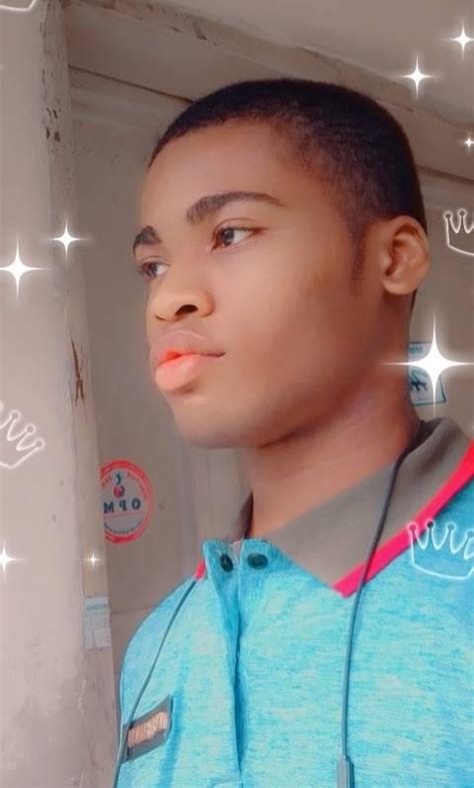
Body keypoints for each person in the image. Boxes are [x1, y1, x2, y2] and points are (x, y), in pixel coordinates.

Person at [114, 79, 473, 788]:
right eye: (154, 266)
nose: (167, 299)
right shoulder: (158, 645)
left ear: (394, 258)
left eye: (230, 233)